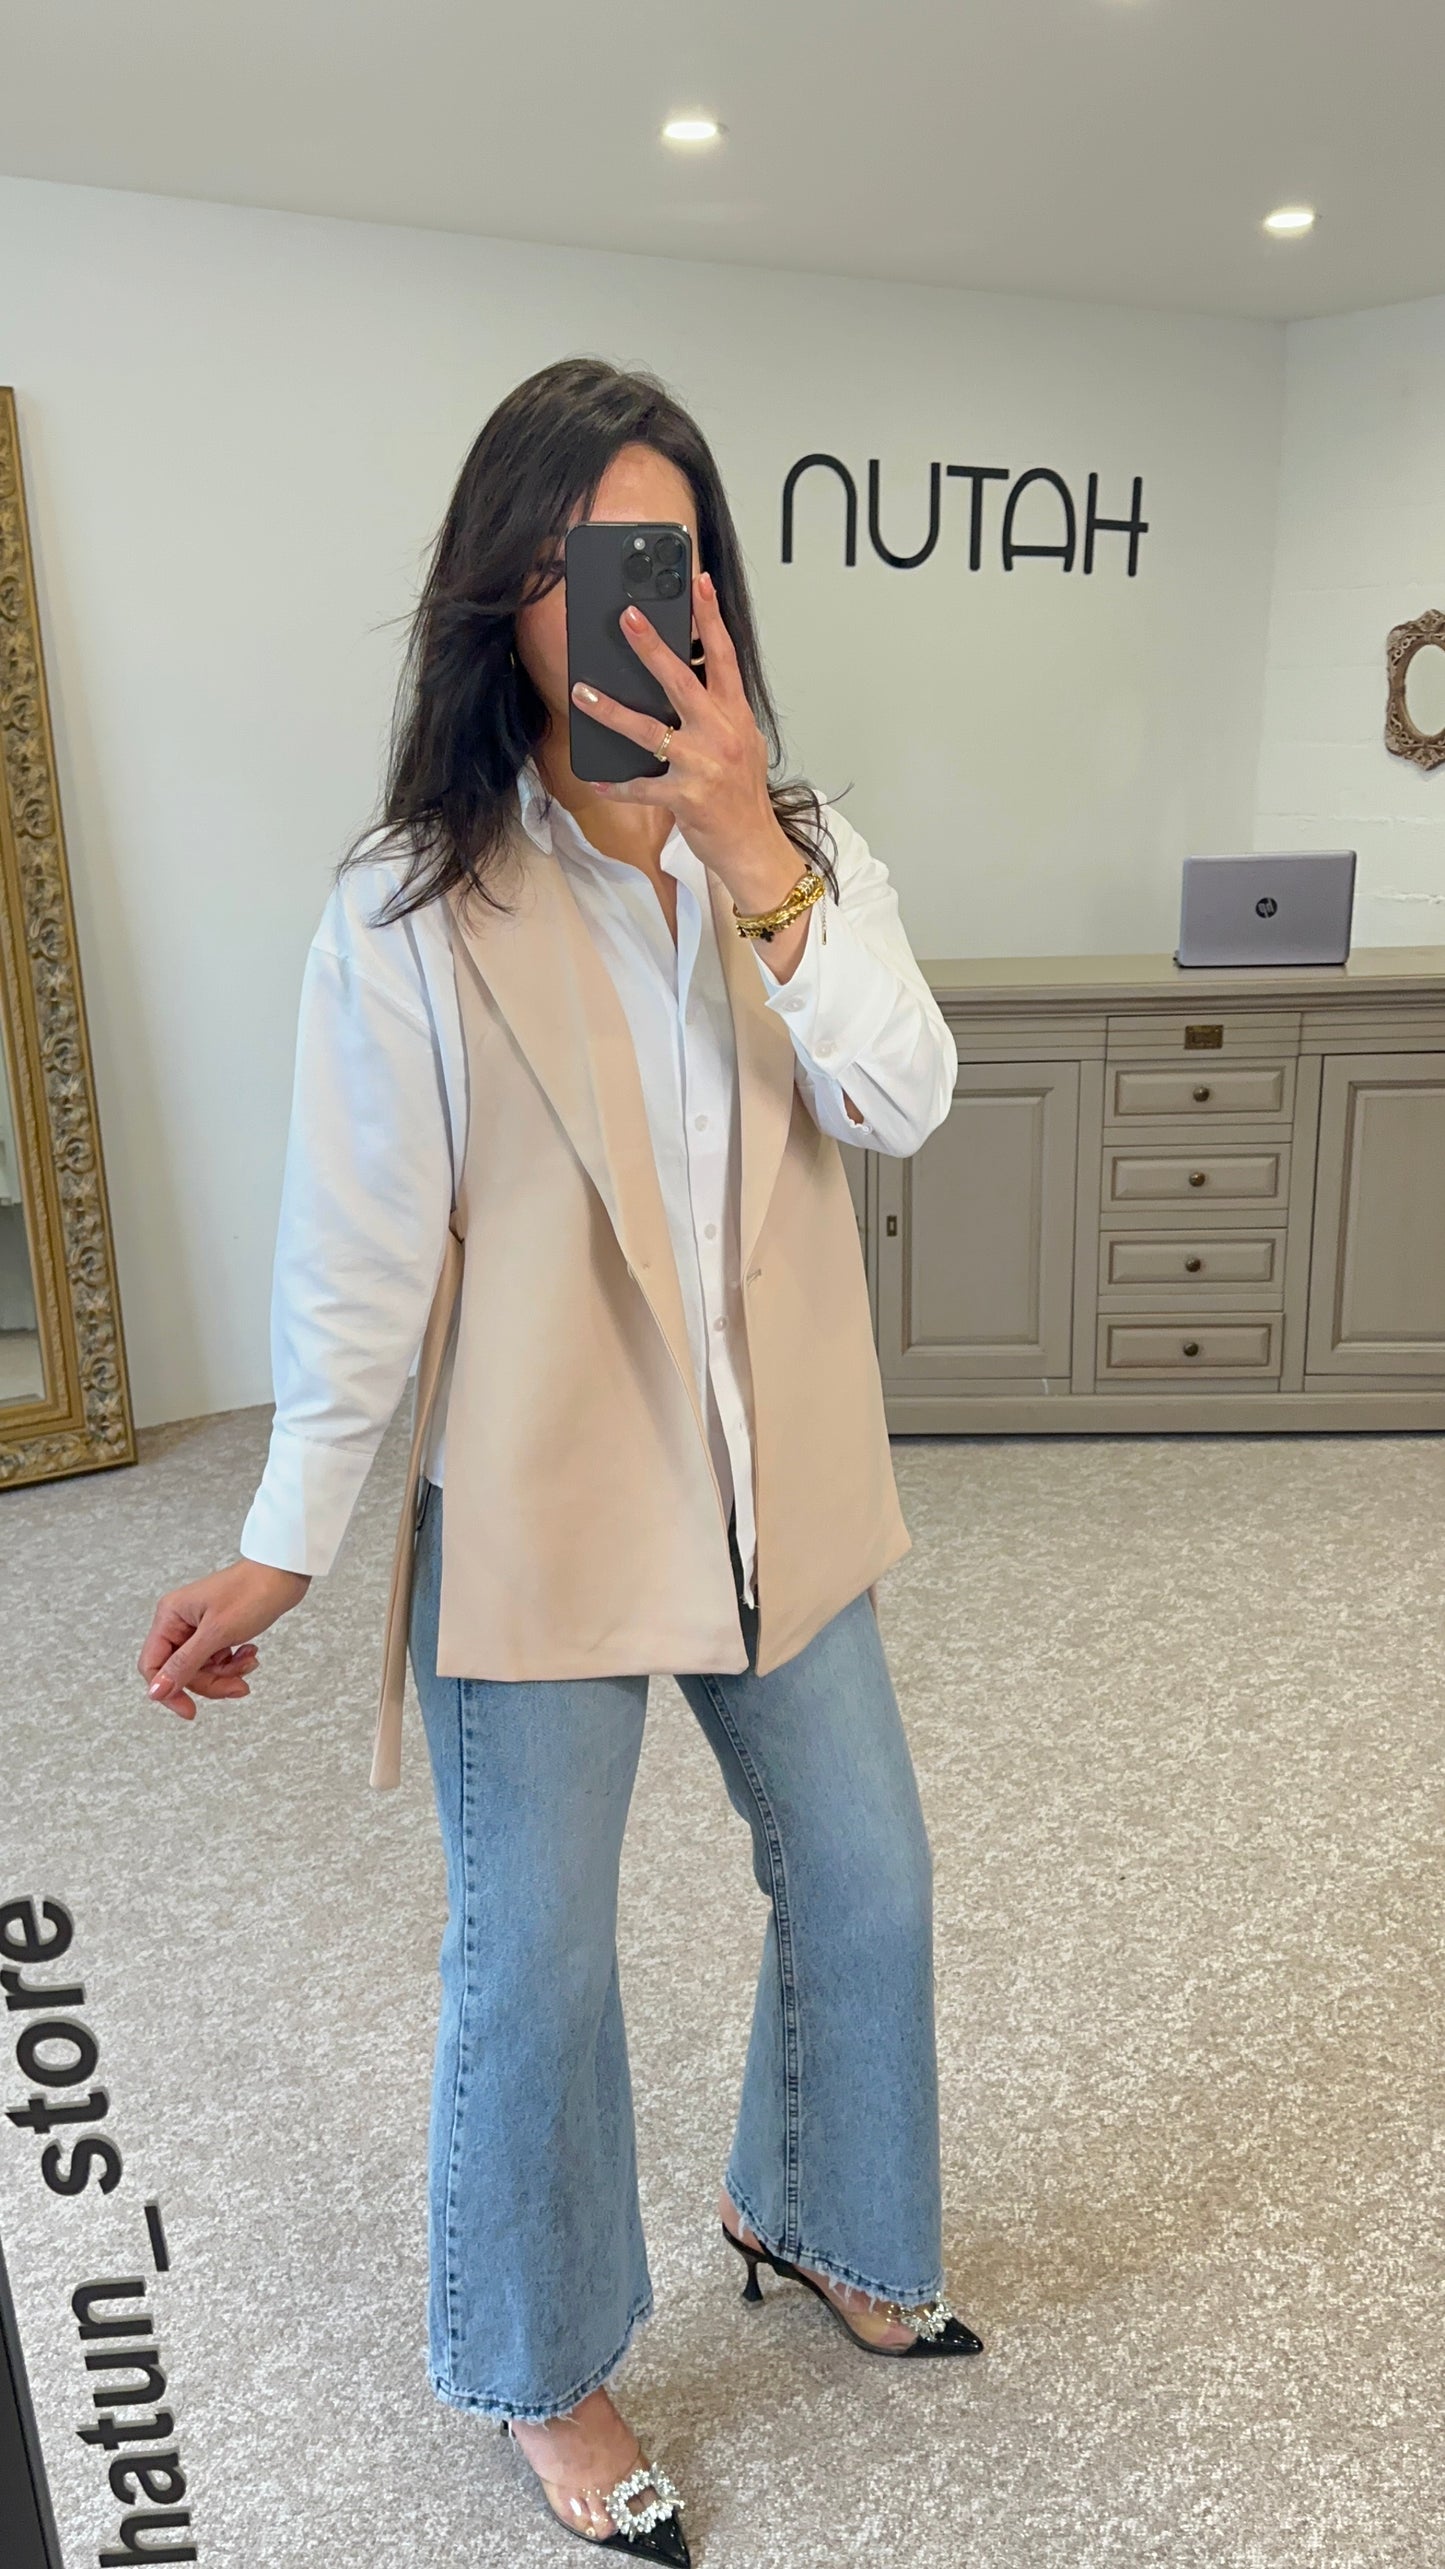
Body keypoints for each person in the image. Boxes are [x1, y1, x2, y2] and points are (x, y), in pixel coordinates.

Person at [137, 356, 982, 2560]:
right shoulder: (413, 905)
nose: (616, 598)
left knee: (869, 1874)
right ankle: (542, 2365)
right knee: (538, 1960)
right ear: (503, 601)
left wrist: (756, 851)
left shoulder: (807, 851)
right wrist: (286, 1541)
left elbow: (902, 1099)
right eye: (566, 561)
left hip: (778, 1484)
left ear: (709, 585)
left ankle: (811, 2207)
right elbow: (355, 1260)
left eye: (660, 555)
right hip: (541, 1500)